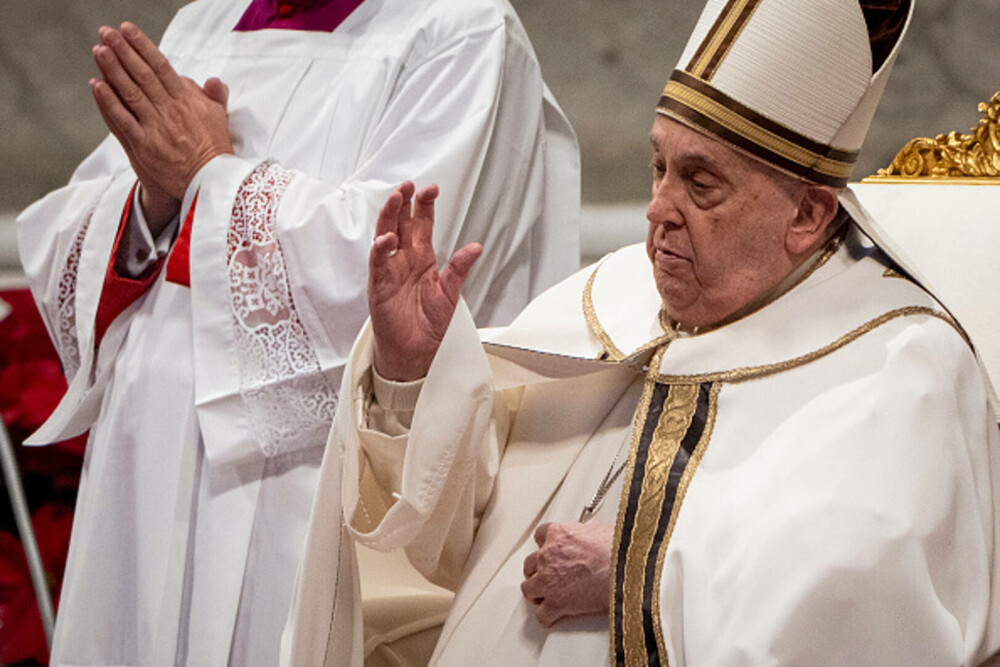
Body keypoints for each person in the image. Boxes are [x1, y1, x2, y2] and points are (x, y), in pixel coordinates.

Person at [288, 0, 1000, 664]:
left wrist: (641, 567)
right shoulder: (614, 294)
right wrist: (410, 376)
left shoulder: (902, 363)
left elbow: (872, 593)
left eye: (701, 183)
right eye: (658, 165)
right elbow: (440, 545)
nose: (658, 208)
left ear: (807, 216)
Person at [15, 0, 579, 664]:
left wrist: (204, 175)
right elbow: (79, 224)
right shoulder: (204, 23)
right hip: (146, 461)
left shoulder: (458, 31)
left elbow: (397, 262)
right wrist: (155, 201)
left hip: (302, 481)